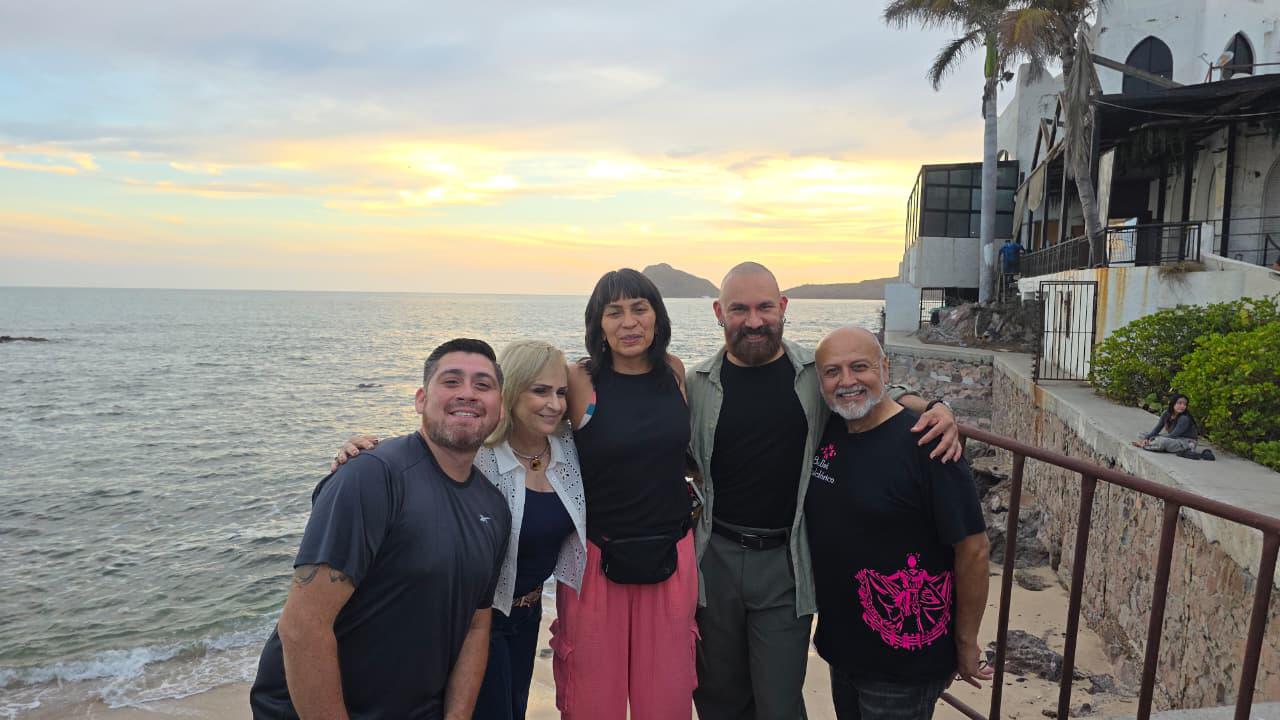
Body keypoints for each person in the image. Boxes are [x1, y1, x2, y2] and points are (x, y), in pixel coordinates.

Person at [686, 262, 963, 720]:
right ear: (719, 312)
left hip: (786, 562)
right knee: (718, 698)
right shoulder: (696, 385)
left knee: (779, 702)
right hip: (712, 557)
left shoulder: (813, 376)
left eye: (764, 307)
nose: (754, 321)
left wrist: (938, 407)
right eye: (739, 309)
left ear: (784, 308)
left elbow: (877, 394)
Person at [250, 339, 512, 720]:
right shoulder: (372, 476)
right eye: (451, 382)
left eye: (483, 385)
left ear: (499, 408)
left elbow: (475, 623)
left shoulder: (493, 507)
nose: (468, 394)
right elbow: (303, 626)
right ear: (421, 399)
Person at [332, 341, 589, 720]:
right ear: (511, 392)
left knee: (514, 708)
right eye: (540, 390)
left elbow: (625, 435)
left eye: (561, 392)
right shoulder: (478, 455)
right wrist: (361, 453)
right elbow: (421, 457)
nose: (554, 403)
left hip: (528, 614)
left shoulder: (568, 448)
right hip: (473, 621)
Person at [806, 326, 991, 720]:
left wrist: (966, 641)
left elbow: (973, 550)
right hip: (844, 649)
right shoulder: (832, 428)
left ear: (884, 368)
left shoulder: (928, 442)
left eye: (860, 367)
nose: (848, 381)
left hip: (905, 662)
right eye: (833, 372)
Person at [554, 268, 698, 720]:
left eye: (639, 308)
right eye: (613, 312)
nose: (629, 322)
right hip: (595, 560)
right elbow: (510, 423)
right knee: (592, 702)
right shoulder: (579, 381)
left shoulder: (673, 372)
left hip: (672, 555)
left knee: (668, 701)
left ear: (657, 317)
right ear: (597, 323)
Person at [1133, 393, 1198, 454]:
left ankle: (1145, 445)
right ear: (1173, 403)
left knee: (1162, 442)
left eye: (1185, 404)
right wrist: (1147, 438)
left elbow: (1173, 435)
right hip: (1173, 438)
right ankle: (1149, 443)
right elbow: (1157, 429)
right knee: (1142, 434)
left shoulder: (1184, 418)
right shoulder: (1166, 413)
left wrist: (1152, 439)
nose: (1182, 406)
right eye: (1179, 403)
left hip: (1186, 442)